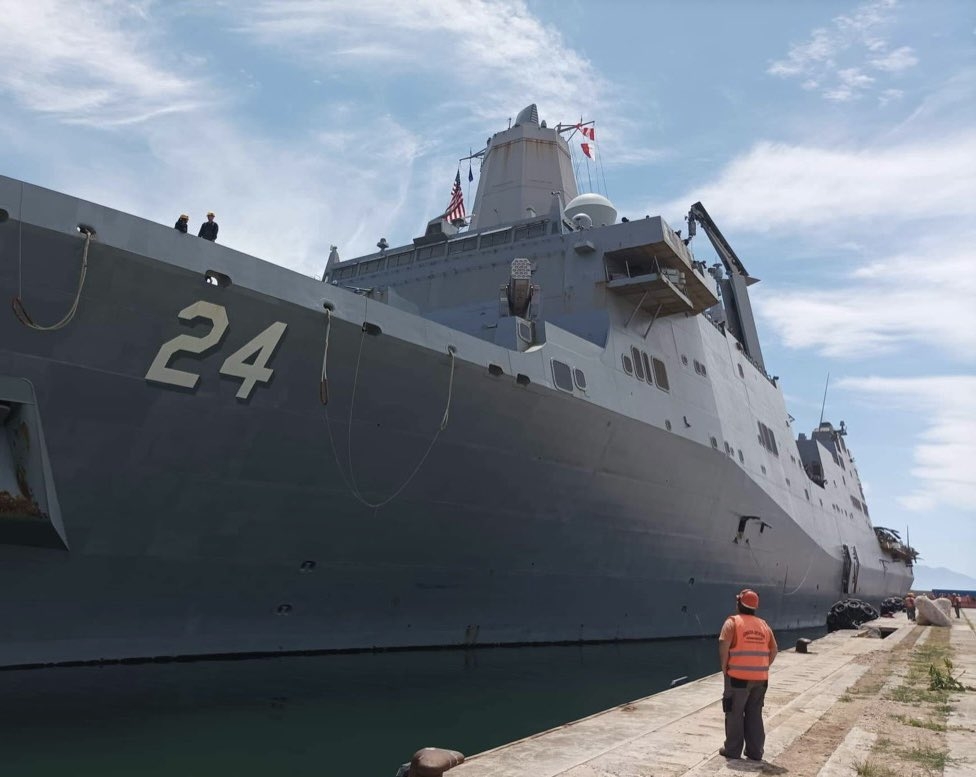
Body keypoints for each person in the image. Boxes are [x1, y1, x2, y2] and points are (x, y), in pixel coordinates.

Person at [719, 588, 777, 762]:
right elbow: (774, 649)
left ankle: (732, 749)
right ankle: (755, 751)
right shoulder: (764, 625)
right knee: (754, 713)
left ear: (738, 604)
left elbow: (723, 644)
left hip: (737, 678)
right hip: (761, 680)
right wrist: (763, 666)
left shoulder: (732, 622)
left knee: (734, 713)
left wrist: (724, 667)